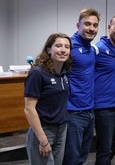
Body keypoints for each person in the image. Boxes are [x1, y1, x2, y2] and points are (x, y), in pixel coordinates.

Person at [24, 33, 72, 165]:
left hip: (62, 129)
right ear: (48, 49)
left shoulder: (64, 73)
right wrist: (42, 140)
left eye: (67, 47)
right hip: (44, 130)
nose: (63, 50)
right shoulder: (37, 73)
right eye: (58, 46)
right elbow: (29, 109)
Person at [63, 8, 100, 165]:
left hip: (89, 111)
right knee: (71, 158)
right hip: (73, 113)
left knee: (82, 157)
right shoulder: (67, 47)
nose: (91, 28)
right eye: (87, 24)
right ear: (78, 25)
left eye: (95, 25)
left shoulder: (91, 49)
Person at [94, 15, 115, 165]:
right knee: (104, 148)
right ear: (109, 28)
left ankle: (103, 161)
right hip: (104, 108)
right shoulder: (98, 49)